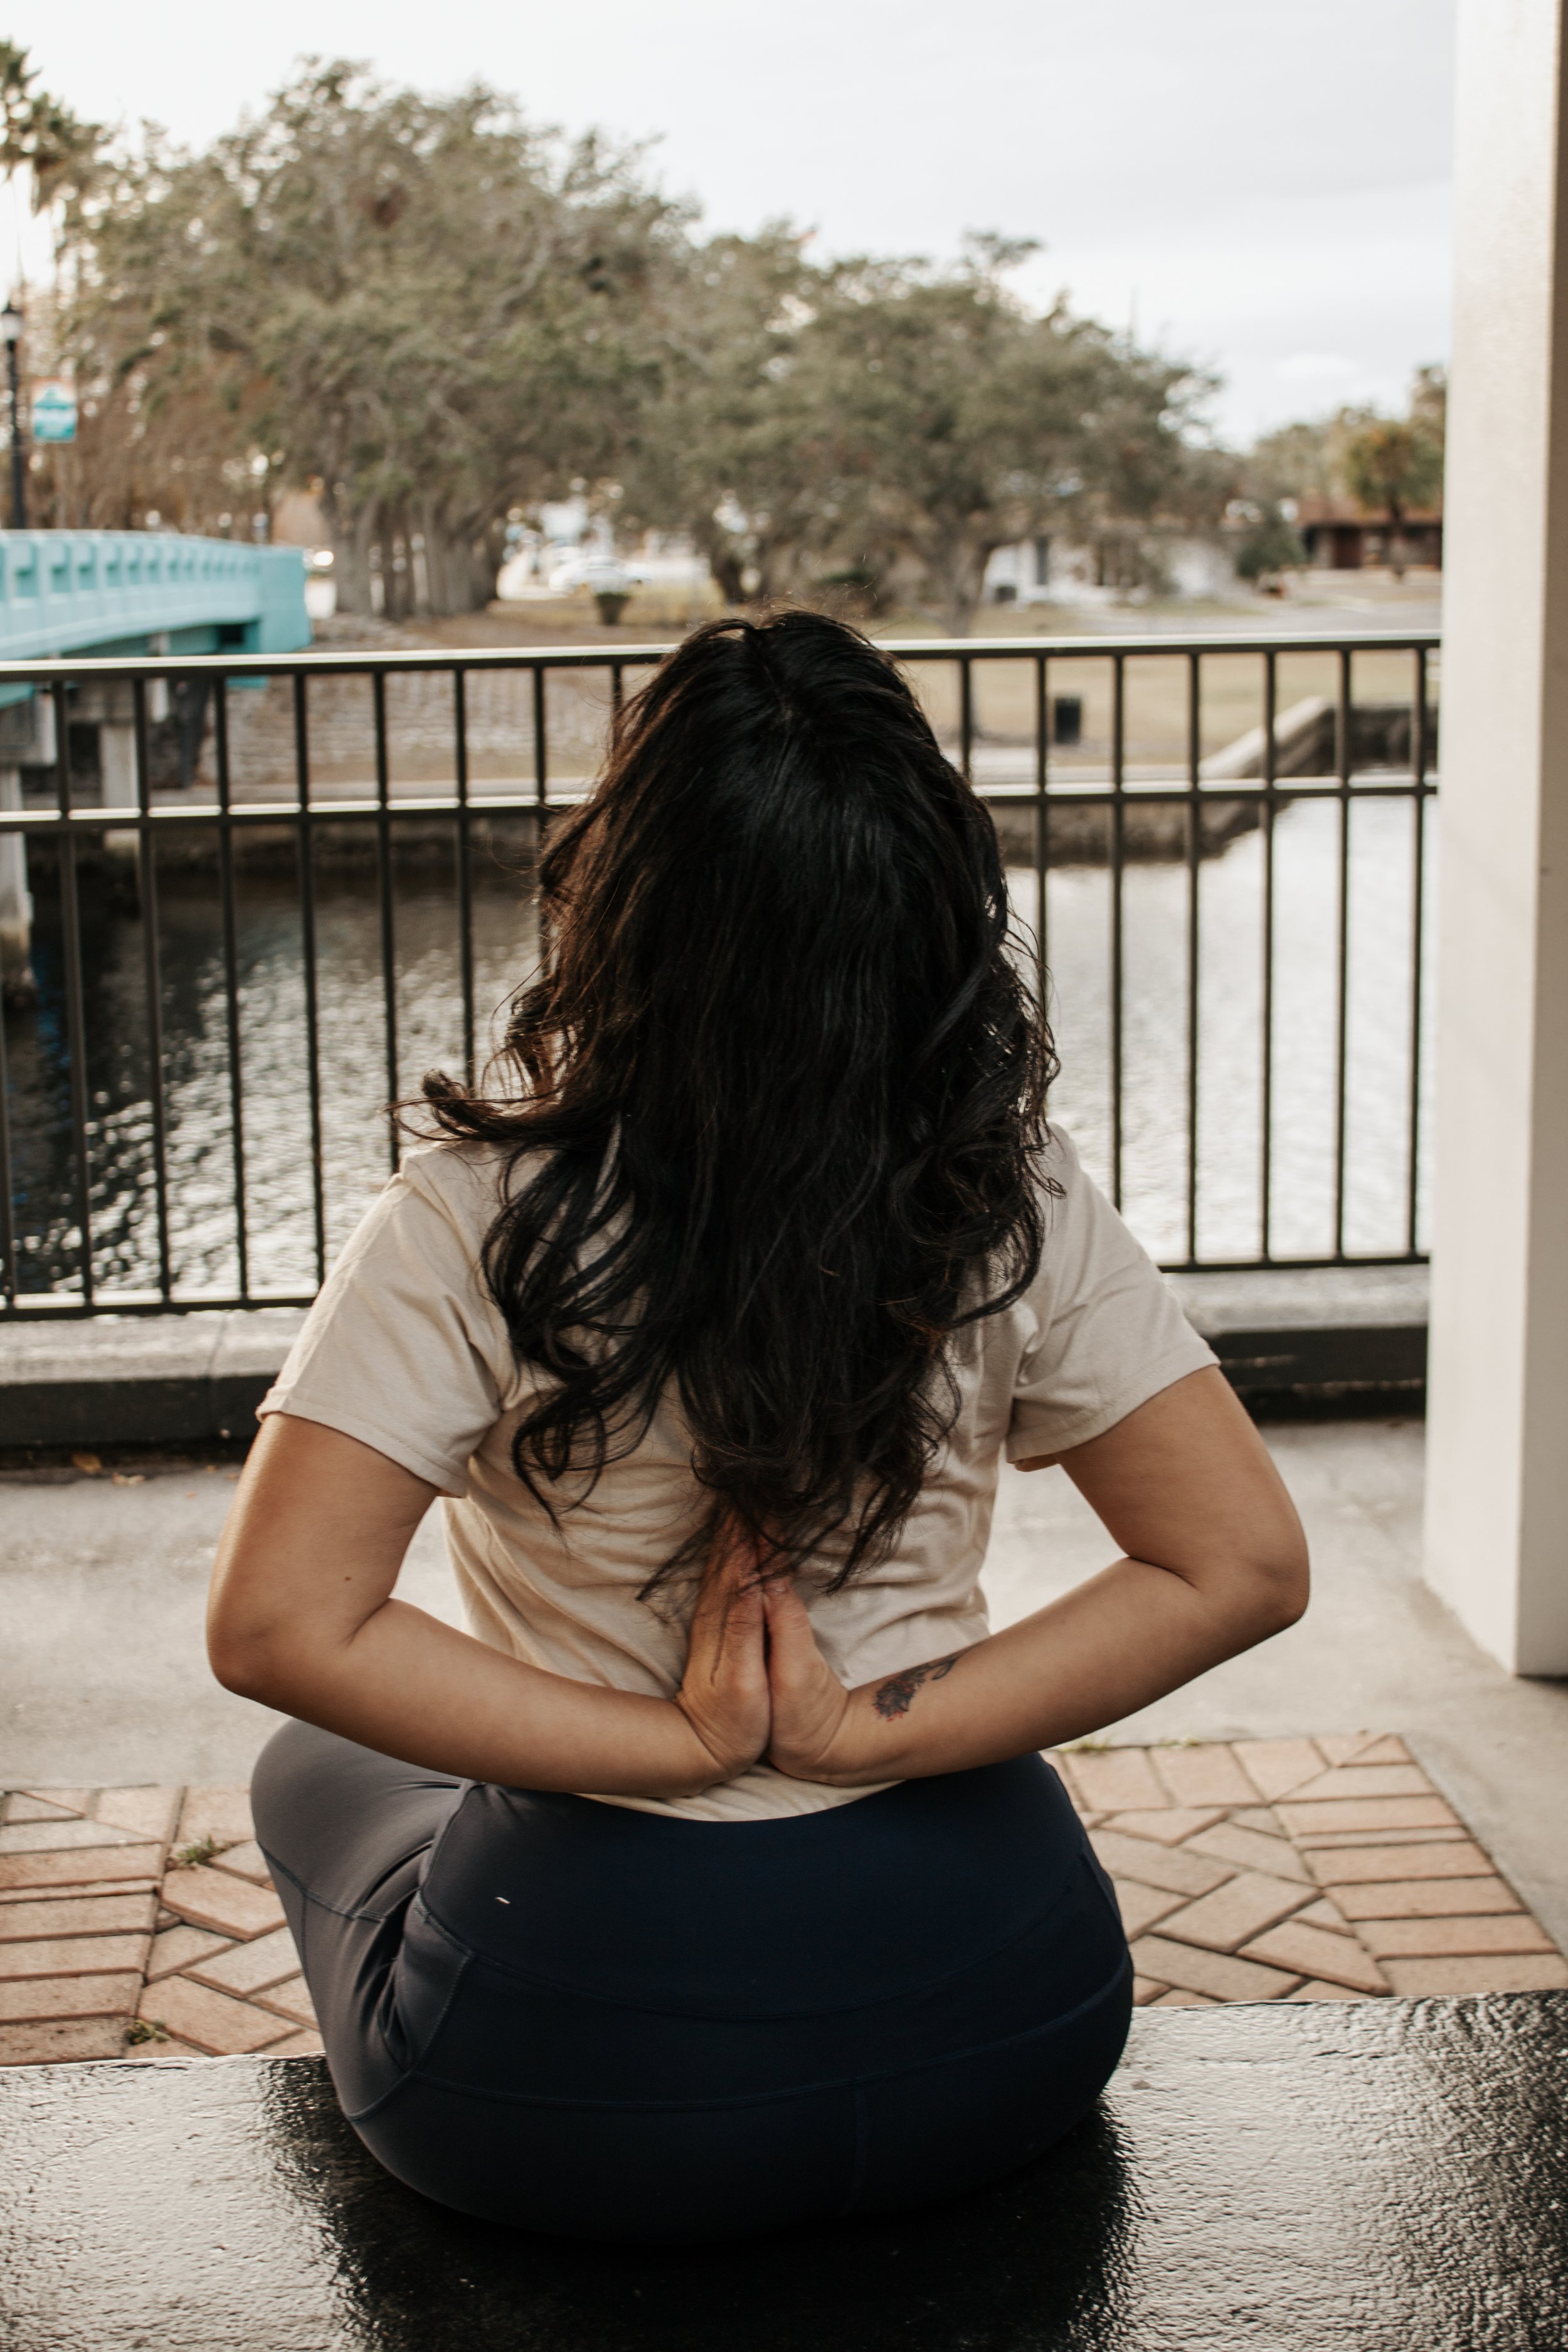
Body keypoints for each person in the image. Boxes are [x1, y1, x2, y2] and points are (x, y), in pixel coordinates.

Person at [208, 610, 1308, 2244]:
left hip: (582, 2087)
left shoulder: (475, 1218)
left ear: (621, 895)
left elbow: (279, 1630)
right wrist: (858, 1735)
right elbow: (1240, 1566)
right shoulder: (1005, 1191)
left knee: (319, 1764)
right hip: (1011, 2023)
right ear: (930, 904)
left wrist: (683, 1746)